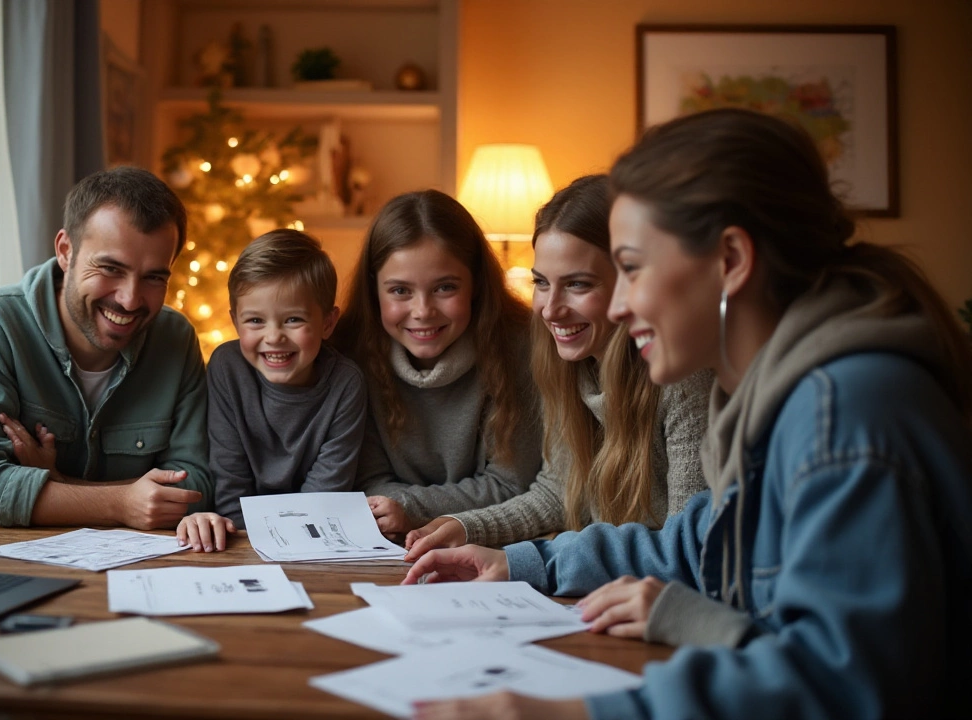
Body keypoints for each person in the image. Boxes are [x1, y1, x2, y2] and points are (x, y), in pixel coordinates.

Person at [406, 109, 972, 719]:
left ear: (730, 259)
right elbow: (699, 540)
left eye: (632, 268)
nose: (618, 306)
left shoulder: (843, 413)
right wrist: (526, 562)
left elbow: (839, 689)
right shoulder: (773, 395)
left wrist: (569, 713)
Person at [403, 175, 709, 562]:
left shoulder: (684, 378)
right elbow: (557, 492)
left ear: (631, 281)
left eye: (578, 284)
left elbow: (686, 548)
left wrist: (531, 563)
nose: (550, 309)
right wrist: (465, 526)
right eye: (542, 283)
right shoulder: (570, 365)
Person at [0, 166, 211, 529]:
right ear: (66, 251)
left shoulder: (175, 338)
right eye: (111, 269)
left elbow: (194, 487)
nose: (130, 300)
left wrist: (61, 483)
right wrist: (120, 503)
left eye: (153, 277)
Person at [332, 189, 543, 536]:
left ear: (475, 283)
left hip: (488, 542)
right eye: (400, 291)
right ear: (374, 290)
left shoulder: (521, 350)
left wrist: (410, 508)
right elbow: (366, 482)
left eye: (445, 288)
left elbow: (510, 484)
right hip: (379, 542)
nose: (423, 311)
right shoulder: (349, 354)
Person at [175, 229, 367, 552]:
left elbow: (324, 496)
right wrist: (244, 544)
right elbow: (229, 482)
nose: (274, 336)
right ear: (235, 321)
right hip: (240, 539)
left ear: (328, 323)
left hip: (314, 541)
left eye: (293, 319)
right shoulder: (226, 369)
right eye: (255, 321)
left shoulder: (346, 384)